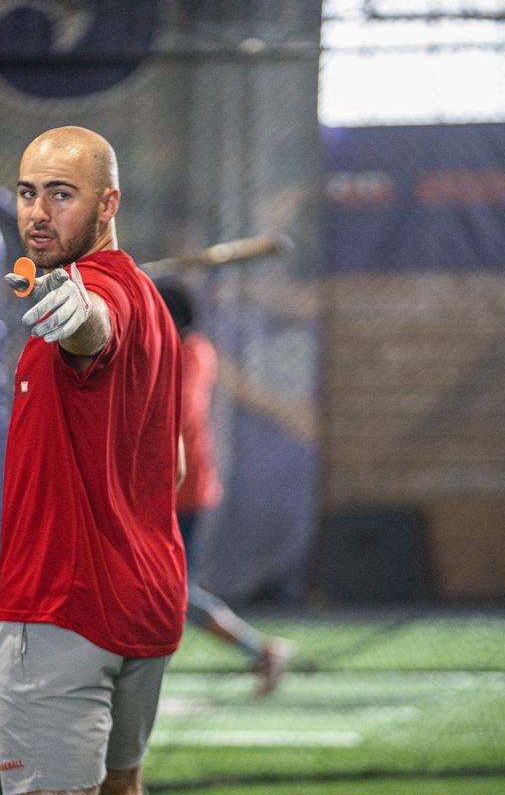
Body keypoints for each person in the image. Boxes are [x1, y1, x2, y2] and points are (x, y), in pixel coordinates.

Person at [0, 126, 186, 795]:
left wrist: (79, 316)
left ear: (108, 205)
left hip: (63, 610)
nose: (38, 213)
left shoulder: (96, 295)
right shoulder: (154, 304)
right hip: (142, 604)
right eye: (27, 193)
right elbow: (173, 465)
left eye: (62, 195)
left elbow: (94, 326)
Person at [155, 280, 295, 697]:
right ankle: (261, 651)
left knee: (172, 591)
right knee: (168, 591)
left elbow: (174, 411)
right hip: (163, 488)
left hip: (182, 488)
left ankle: (262, 650)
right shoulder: (172, 351)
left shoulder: (192, 351)